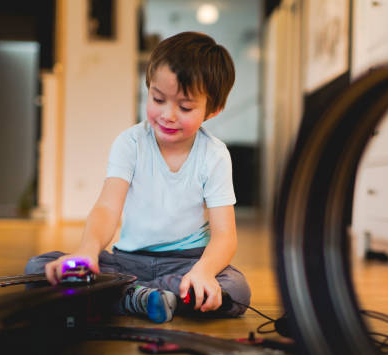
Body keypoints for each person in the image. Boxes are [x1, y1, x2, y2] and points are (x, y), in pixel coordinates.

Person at [25, 31, 250, 323]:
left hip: (187, 264)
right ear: (148, 89)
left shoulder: (214, 155)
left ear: (213, 110)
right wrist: (88, 251)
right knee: (38, 267)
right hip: (128, 261)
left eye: (184, 107)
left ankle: (126, 297)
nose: (168, 115)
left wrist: (203, 272)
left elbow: (224, 235)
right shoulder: (130, 143)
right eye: (158, 99)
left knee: (237, 289)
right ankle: (148, 297)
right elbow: (107, 208)